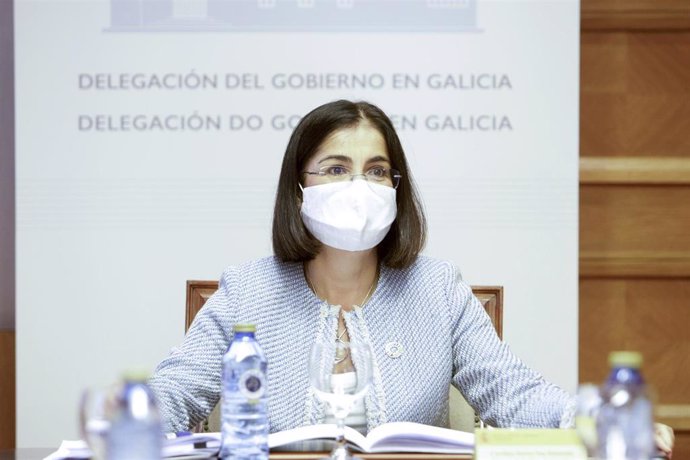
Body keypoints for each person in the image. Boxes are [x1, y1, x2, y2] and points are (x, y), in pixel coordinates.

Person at [149, 100, 673, 456]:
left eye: (376, 170)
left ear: (396, 186)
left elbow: (511, 391)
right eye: (335, 169)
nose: (360, 184)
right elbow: (176, 391)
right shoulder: (247, 290)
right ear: (299, 188)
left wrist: (601, 418)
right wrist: (128, 411)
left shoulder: (439, 289)